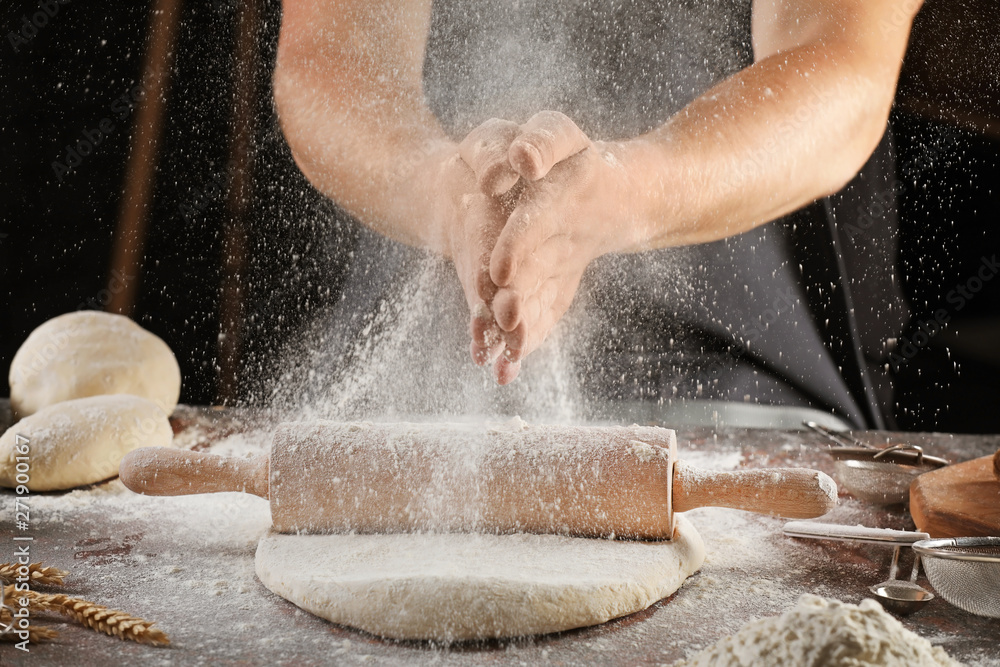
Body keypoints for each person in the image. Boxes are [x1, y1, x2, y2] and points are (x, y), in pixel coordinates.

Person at [272, 0, 920, 428]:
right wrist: (442, 191)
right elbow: (332, 59)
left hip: (747, 396)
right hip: (405, 392)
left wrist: (623, 193)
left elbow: (843, 70)